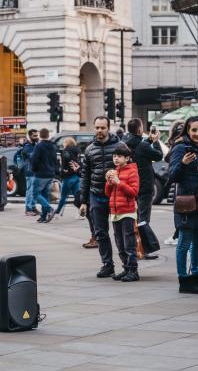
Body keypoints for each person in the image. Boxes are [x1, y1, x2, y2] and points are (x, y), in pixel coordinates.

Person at [169, 116, 198, 294]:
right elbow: (172, 176)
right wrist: (183, 163)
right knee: (184, 242)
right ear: (188, 131)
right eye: (194, 130)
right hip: (187, 203)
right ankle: (184, 280)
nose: (197, 133)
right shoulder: (180, 148)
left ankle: (196, 277)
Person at [81, 116, 121, 278]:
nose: (99, 131)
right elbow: (85, 176)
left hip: (117, 195)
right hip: (96, 195)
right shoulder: (89, 149)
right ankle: (107, 265)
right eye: (97, 127)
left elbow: (131, 171)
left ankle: (128, 265)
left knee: (120, 233)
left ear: (108, 128)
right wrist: (83, 201)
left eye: (102, 128)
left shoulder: (120, 146)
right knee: (100, 233)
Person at [105, 143, 140, 282]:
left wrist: (119, 182)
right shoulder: (115, 171)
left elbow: (134, 192)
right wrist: (108, 182)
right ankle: (126, 268)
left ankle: (133, 270)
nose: (116, 159)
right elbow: (108, 193)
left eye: (119, 156)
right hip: (115, 212)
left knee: (128, 243)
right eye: (114, 156)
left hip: (127, 212)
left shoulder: (132, 171)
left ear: (127, 158)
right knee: (119, 243)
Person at [123, 119, 163, 227]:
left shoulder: (125, 144)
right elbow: (159, 155)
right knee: (144, 218)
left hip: (131, 184)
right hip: (144, 185)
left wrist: (149, 140)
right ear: (140, 129)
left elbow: (140, 148)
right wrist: (155, 141)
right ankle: (142, 240)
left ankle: (135, 238)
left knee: (134, 215)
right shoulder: (142, 146)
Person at [29, 128, 57, 223]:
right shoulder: (53, 146)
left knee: (35, 194)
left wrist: (34, 170)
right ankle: (43, 216)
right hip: (50, 174)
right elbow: (55, 160)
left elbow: (34, 159)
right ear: (48, 135)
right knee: (45, 195)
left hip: (41, 174)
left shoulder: (39, 146)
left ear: (40, 135)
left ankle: (49, 209)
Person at [54, 137, 80, 217]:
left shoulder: (66, 151)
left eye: (64, 143)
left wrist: (63, 171)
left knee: (63, 196)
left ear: (67, 143)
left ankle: (57, 212)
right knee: (77, 196)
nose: (63, 144)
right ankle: (81, 213)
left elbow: (65, 161)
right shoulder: (77, 151)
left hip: (68, 177)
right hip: (76, 176)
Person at [17, 129, 39, 216]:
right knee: (30, 190)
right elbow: (32, 157)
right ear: (29, 136)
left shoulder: (35, 145)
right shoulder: (27, 147)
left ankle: (33, 207)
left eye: (37, 135)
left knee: (34, 191)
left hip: (35, 171)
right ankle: (28, 209)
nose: (37, 137)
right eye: (34, 136)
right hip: (29, 171)